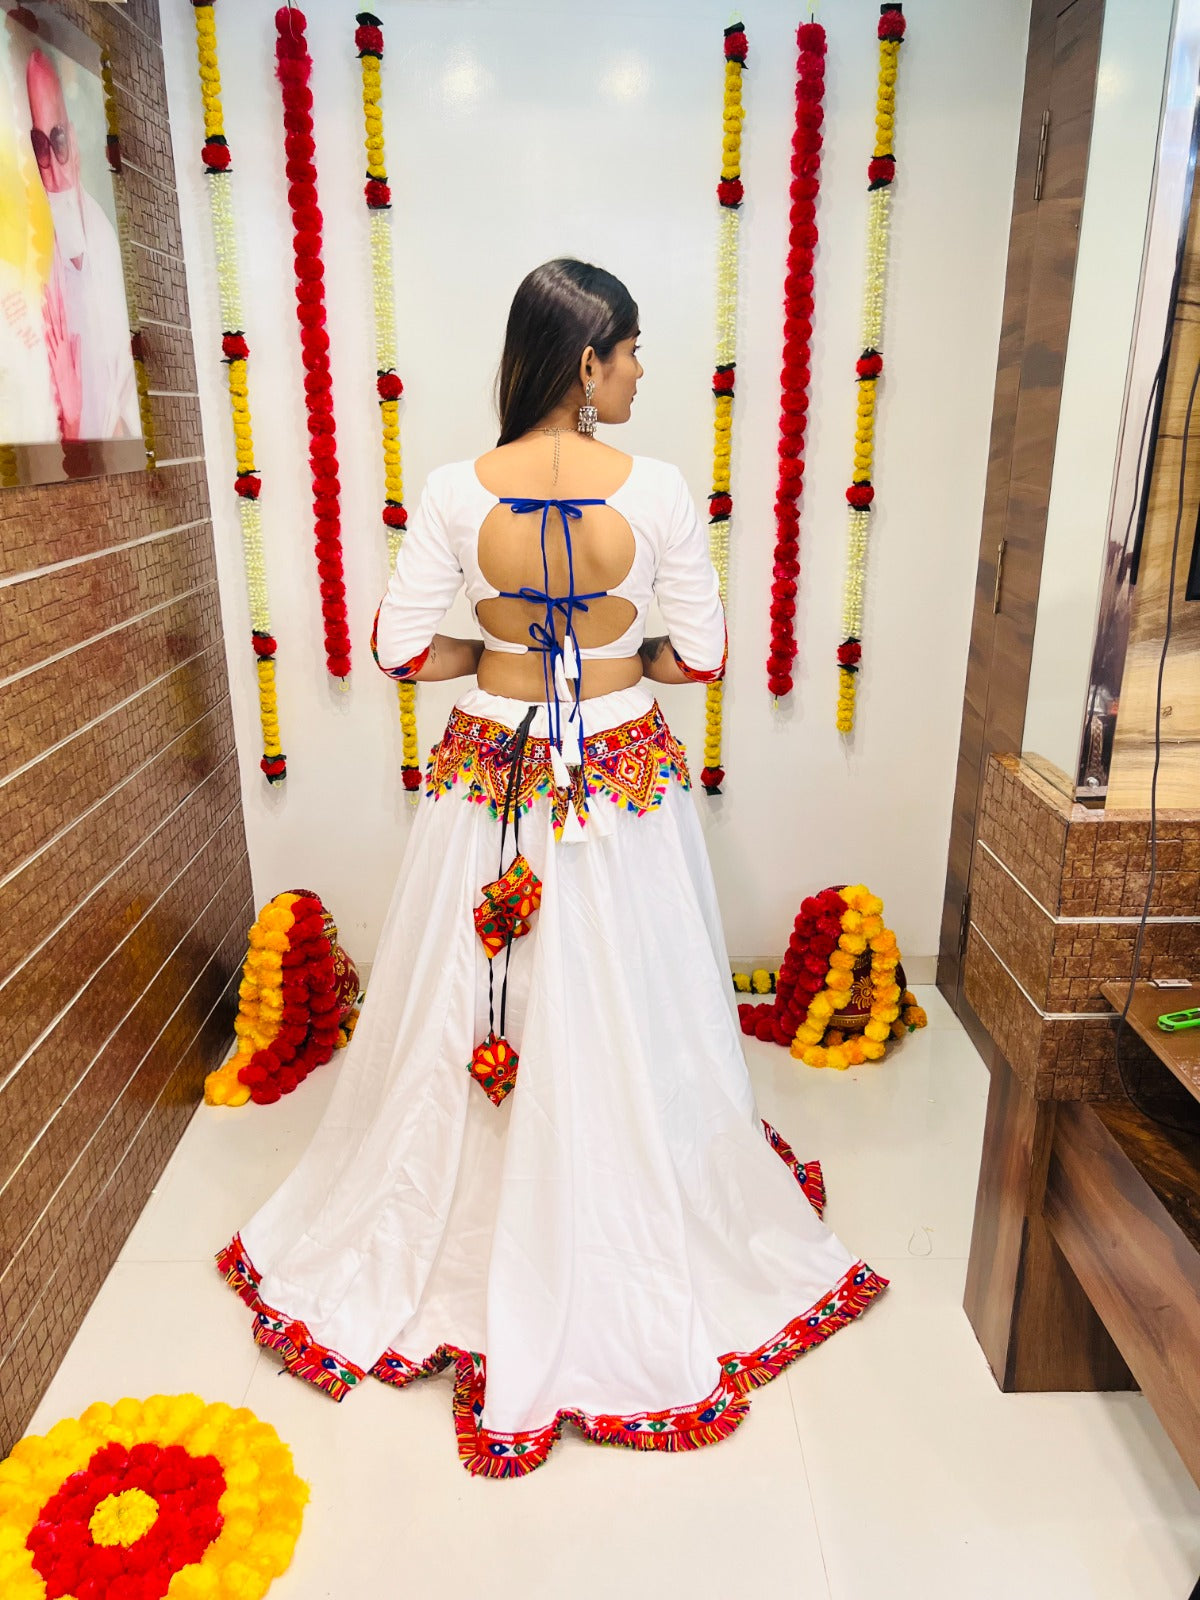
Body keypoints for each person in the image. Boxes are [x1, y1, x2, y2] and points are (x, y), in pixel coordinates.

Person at [217, 259, 886, 1478]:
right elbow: (700, 657)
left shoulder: (450, 488)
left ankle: (467, 1215)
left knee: (475, 993)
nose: (640, 372)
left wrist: (495, 652)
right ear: (586, 361)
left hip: (494, 764)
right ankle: (628, 1210)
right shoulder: (664, 489)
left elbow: (400, 650)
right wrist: (617, 660)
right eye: (629, 351)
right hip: (619, 766)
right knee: (636, 992)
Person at [25, 47, 138, 441]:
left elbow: (125, 402)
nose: (54, 170)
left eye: (58, 141)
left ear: (72, 137)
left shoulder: (106, 241)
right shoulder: (32, 259)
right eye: (41, 147)